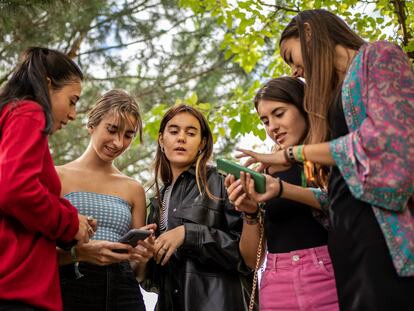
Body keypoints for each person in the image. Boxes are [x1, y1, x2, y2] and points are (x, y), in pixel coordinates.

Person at [236, 9, 414, 311]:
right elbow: (335, 194)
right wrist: (271, 193)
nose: (293, 70)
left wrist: (294, 154)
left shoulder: (379, 56)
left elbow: (388, 141)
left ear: (309, 33)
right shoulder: (336, 99)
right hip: (346, 246)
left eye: (291, 57)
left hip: (384, 237)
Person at [225, 77, 339, 311]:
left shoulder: (331, 154)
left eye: (279, 113)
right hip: (276, 284)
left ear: (304, 107)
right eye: (265, 121)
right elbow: (251, 260)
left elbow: (339, 202)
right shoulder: (264, 173)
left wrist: (282, 189)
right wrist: (249, 212)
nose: (272, 127)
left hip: (331, 274)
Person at [0, 47, 93, 311]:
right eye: (72, 100)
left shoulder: (11, 116)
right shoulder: (29, 112)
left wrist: (72, 219)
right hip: (16, 289)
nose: (74, 114)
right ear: (48, 84)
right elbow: (16, 189)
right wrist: (68, 223)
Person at [141, 104, 255, 311]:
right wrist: (143, 258)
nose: (181, 138)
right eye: (174, 131)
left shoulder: (222, 181)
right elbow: (153, 280)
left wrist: (188, 234)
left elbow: (248, 257)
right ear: (161, 140)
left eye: (190, 133)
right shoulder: (157, 202)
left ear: (202, 143)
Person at [56, 89, 155, 311]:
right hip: (71, 284)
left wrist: (143, 256)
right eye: (112, 130)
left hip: (124, 291)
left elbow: (137, 271)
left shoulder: (134, 188)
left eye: (128, 135)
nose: (119, 143)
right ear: (92, 125)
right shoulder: (57, 176)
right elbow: (40, 252)